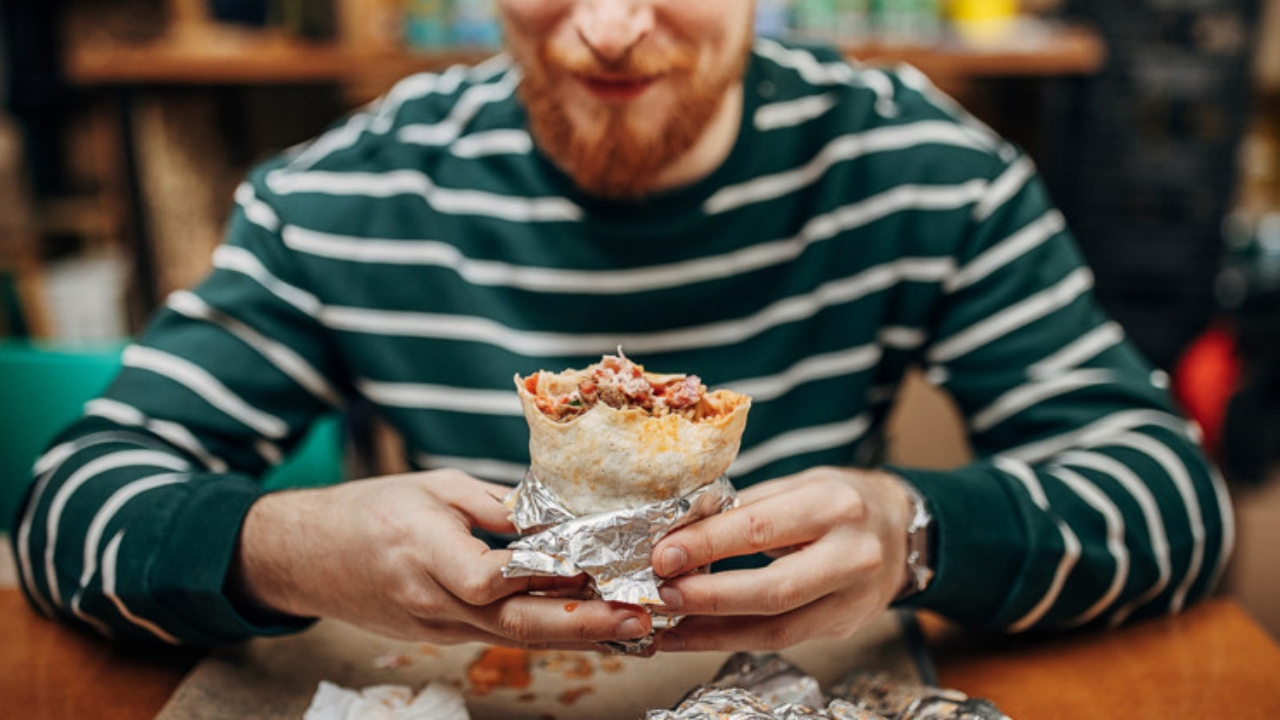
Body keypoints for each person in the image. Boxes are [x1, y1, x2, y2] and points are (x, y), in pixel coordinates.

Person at [12, 0, 1232, 651]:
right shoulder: (336, 198)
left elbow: (1173, 498)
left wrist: (912, 533)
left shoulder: (925, 173)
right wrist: (287, 550)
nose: (606, 28)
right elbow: (68, 505)